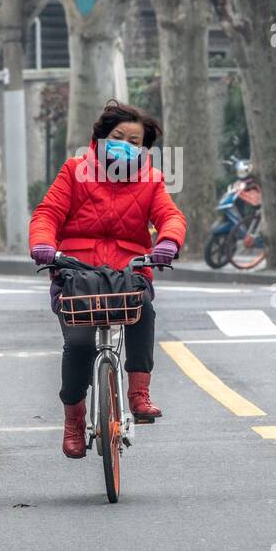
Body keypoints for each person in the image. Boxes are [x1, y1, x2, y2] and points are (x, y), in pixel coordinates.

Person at [29, 100, 186, 459]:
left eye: (135, 141)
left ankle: (138, 394)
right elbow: (47, 213)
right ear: (99, 138)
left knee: (143, 310)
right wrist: (42, 245)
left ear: (145, 150)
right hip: (76, 274)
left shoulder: (152, 180)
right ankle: (73, 420)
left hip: (128, 274)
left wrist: (167, 242)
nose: (126, 145)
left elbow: (171, 217)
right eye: (119, 137)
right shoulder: (74, 172)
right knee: (80, 344)